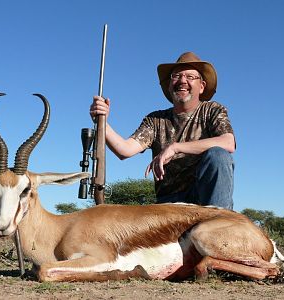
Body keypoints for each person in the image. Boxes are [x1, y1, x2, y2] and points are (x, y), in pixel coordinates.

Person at [90, 52, 235, 209]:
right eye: (176, 76)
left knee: (218, 155)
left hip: (204, 199)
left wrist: (174, 147)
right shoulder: (155, 120)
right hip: (169, 202)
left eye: (190, 77)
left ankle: (221, 222)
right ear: (169, 84)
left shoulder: (212, 110)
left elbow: (228, 142)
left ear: (201, 86)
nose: (182, 81)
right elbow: (124, 150)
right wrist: (102, 121)